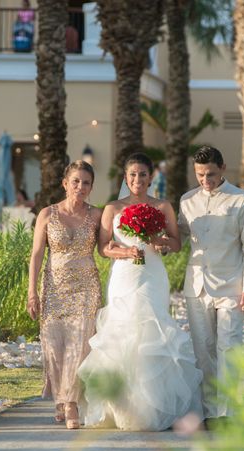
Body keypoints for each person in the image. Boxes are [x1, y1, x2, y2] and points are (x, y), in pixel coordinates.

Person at [78, 152, 202, 431]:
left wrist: (160, 242)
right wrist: (125, 251)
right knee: (122, 332)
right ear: (125, 177)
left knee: (153, 330)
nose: (137, 180)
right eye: (132, 174)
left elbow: (177, 243)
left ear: (151, 177)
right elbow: (103, 246)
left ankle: (154, 408)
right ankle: (120, 409)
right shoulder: (112, 208)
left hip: (153, 275)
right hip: (124, 276)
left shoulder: (163, 206)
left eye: (143, 175)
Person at [178, 145, 244, 423]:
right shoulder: (187, 201)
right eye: (200, 175)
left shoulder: (242, 200)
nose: (205, 180)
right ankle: (209, 412)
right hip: (197, 287)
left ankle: (227, 413)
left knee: (229, 349)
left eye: (210, 174)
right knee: (204, 351)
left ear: (223, 168)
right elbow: (178, 236)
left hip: (232, 287)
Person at [27, 160, 103, 430]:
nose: (80, 187)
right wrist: (31, 292)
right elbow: (36, 254)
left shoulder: (97, 215)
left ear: (91, 187)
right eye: (76, 181)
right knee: (55, 346)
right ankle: (61, 400)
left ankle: (71, 405)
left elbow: (106, 248)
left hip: (86, 288)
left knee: (80, 346)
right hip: (54, 287)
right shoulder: (47, 214)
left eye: (86, 183)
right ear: (65, 183)